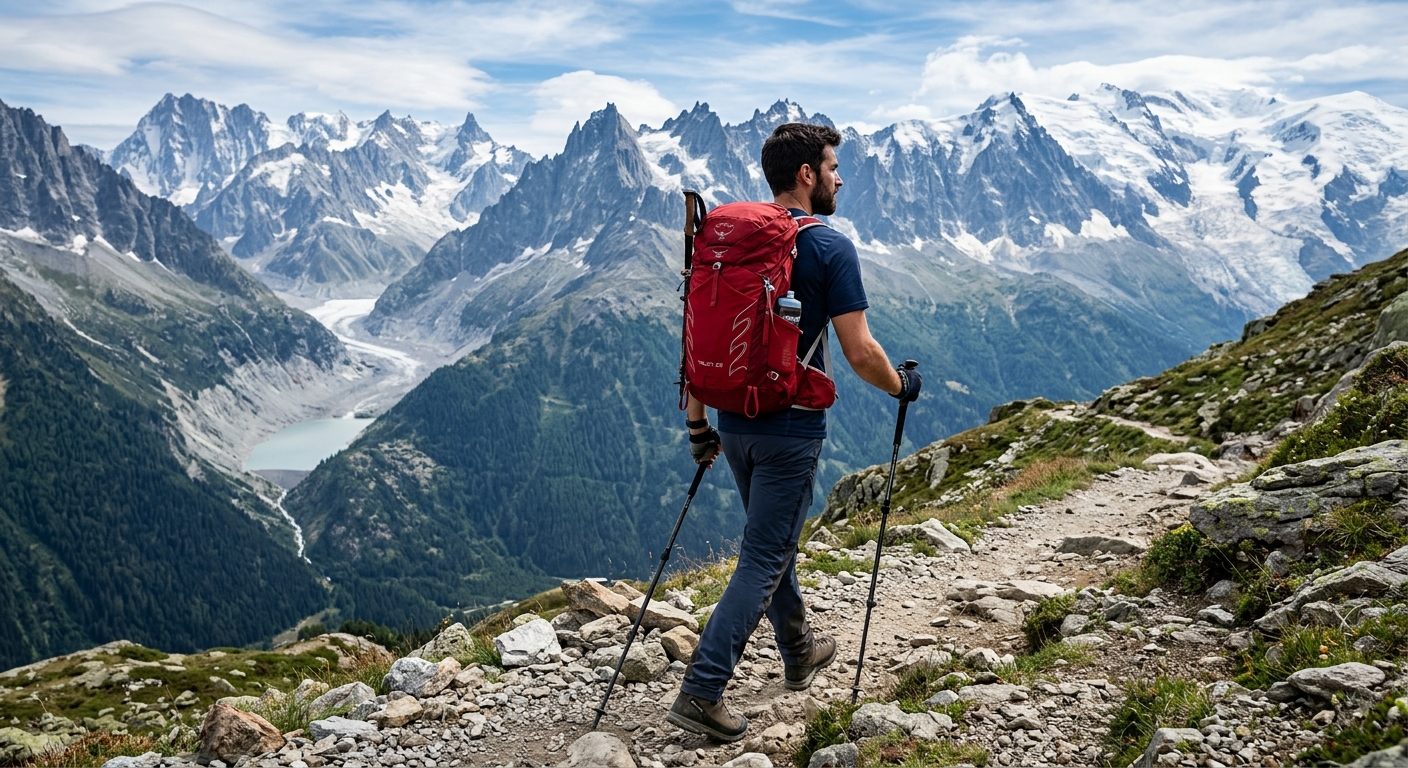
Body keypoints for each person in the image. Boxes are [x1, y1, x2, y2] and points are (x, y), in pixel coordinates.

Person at [667, 123, 922, 741]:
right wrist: (902, 387)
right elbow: (860, 352)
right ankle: (702, 690)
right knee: (764, 555)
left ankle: (799, 650)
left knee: (770, 543)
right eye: (834, 167)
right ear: (807, 174)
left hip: (733, 419)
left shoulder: (733, 243)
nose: (840, 178)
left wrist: (699, 426)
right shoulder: (829, 247)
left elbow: (699, 339)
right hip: (791, 427)